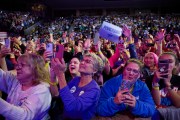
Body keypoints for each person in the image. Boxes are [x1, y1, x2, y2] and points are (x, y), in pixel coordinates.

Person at [50, 52, 104, 119]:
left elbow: (73, 108)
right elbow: (57, 95)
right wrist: (52, 77)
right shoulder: (75, 80)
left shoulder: (94, 89)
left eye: (88, 61)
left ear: (95, 70)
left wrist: (60, 74)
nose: (82, 63)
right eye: (83, 60)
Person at [0, 53, 52, 120]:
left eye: (22, 65)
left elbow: (24, 116)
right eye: (17, 64)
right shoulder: (17, 81)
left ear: (35, 68)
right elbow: (1, 76)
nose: (17, 68)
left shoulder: (42, 90)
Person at [145, 52, 180, 120]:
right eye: (163, 61)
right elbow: (157, 102)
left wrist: (167, 83)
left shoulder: (179, 80)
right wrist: (155, 82)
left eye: (170, 61)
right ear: (158, 64)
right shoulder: (150, 79)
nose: (166, 64)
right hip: (156, 113)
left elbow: (178, 104)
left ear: (175, 65)